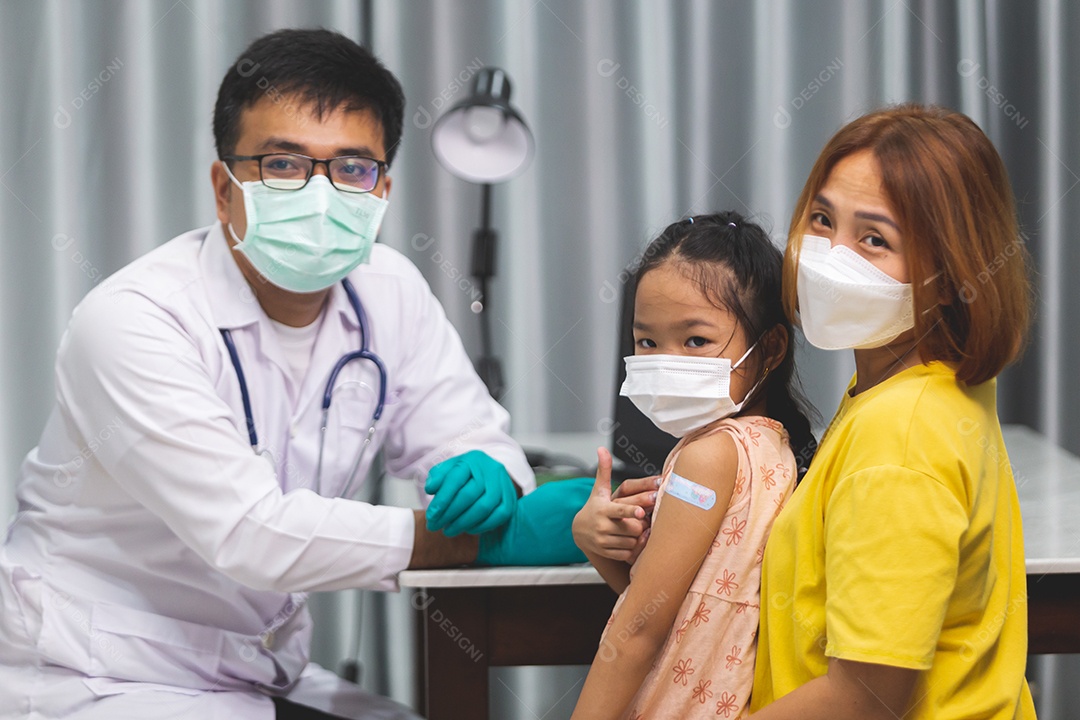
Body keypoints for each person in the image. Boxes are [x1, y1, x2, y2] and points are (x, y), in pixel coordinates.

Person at [0, 29, 586, 720]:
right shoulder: (133, 320)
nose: (319, 192)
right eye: (282, 164)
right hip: (103, 671)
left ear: (382, 191)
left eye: (352, 168)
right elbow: (251, 533)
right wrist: (471, 542)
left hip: (257, 668)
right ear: (224, 189)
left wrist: (488, 474)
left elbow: (474, 437)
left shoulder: (389, 290)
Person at [749, 105, 1037, 718]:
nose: (831, 254)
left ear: (950, 268)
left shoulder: (899, 438)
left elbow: (862, 700)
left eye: (874, 239)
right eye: (823, 219)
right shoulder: (923, 390)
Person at [571, 212, 817, 719]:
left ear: (769, 347)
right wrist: (598, 546)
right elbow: (687, 608)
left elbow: (639, 627)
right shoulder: (775, 448)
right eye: (647, 341)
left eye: (696, 341)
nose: (666, 359)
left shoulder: (705, 459)